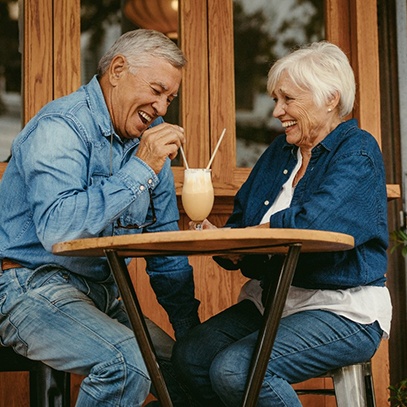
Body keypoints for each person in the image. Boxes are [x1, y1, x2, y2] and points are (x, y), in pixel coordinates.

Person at [172, 41, 392, 406]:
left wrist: (244, 237)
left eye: (288, 99)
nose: (277, 111)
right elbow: (242, 222)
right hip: (273, 301)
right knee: (191, 357)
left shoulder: (358, 150)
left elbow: (313, 224)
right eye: (275, 99)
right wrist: (226, 244)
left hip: (341, 308)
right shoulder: (279, 153)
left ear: (330, 98)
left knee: (235, 370)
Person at [0, 29, 200, 406]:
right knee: (126, 363)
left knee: (193, 376)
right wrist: (141, 168)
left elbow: (164, 246)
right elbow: (59, 228)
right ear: (118, 69)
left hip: (103, 293)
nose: (161, 108)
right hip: (27, 287)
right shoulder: (61, 127)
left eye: (169, 98)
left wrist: (190, 334)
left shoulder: (149, 139)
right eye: (156, 91)